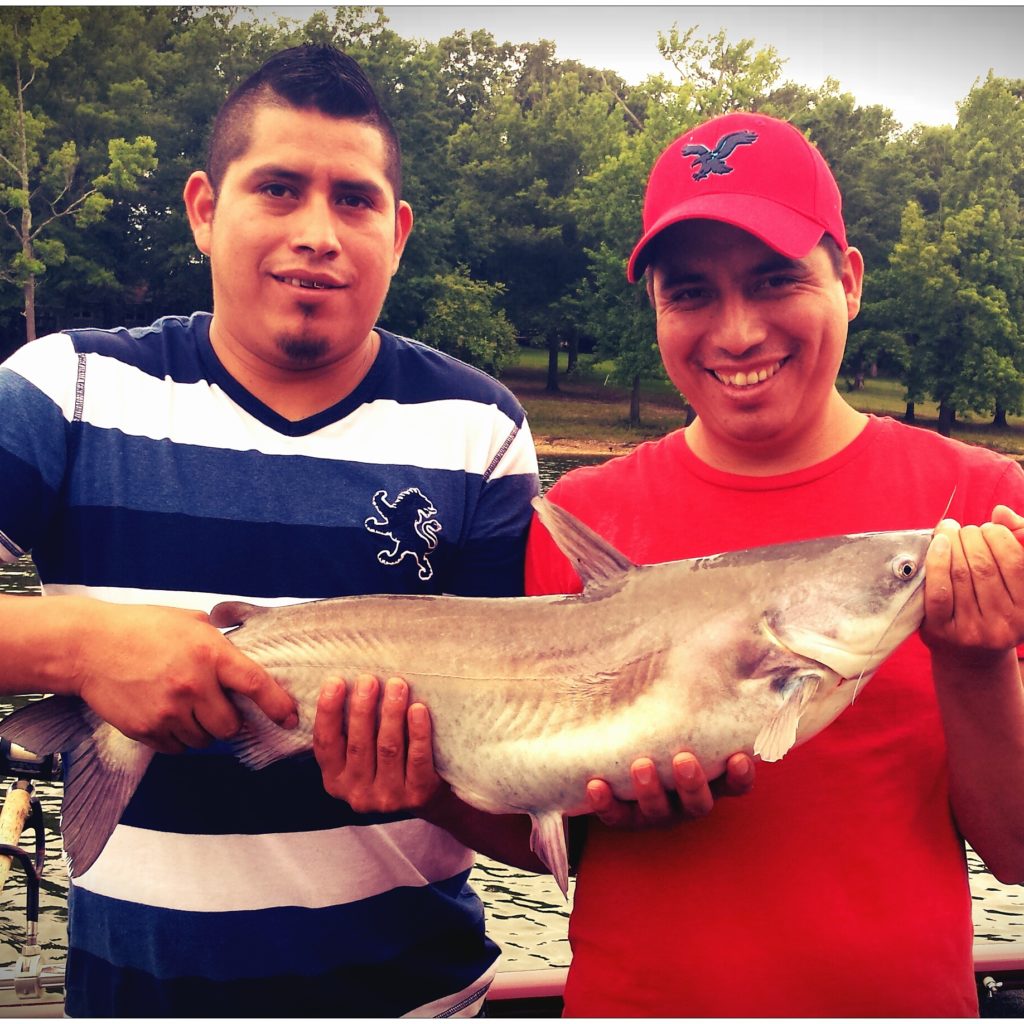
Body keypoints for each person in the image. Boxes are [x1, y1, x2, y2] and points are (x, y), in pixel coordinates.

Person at [0, 45, 541, 1017]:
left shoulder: (481, 431)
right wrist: (79, 648)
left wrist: (426, 780)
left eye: (355, 200)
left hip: (419, 1001)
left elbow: (512, 788)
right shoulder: (65, 387)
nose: (318, 233)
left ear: (399, 230)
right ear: (205, 208)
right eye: (280, 189)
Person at [522, 111, 1024, 1017]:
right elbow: (537, 816)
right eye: (691, 294)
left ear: (851, 281)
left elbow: (1021, 854)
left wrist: (979, 663)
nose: (739, 331)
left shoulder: (982, 505)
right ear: (657, 312)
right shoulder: (582, 517)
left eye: (775, 279)